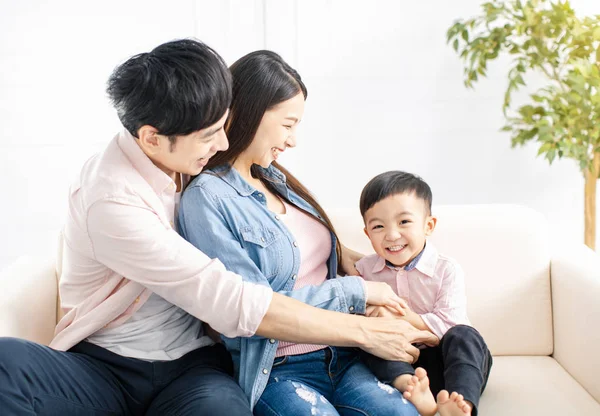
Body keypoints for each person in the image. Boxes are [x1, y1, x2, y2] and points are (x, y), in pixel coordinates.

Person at [0, 40, 430, 416]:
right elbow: (230, 298)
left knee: (222, 408)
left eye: (223, 126)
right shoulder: (112, 200)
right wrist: (363, 327)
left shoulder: (186, 161)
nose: (223, 144)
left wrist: (352, 259)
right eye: (210, 135)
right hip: (105, 365)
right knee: (6, 362)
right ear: (150, 137)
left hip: (189, 366)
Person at [177, 50, 438, 416]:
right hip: (280, 370)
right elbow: (252, 307)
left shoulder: (279, 182)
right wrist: (357, 292)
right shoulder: (206, 199)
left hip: (345, 357)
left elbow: (336, 257)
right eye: (288, 124)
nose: (293, 139)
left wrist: (409, 279)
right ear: (250, 111)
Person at [356, 170, 493, 416]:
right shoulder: (363, 271)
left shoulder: (445, 269)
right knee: (370, 344)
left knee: (465, 336)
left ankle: (460, 404)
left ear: (428, 225)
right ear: (367, 233)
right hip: (401, 361)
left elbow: (450, 323)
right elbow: (356, 316)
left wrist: (401, 317)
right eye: (378, 226)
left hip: (446, 360)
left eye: (404, 222)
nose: (392, 235)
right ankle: (413, 390)